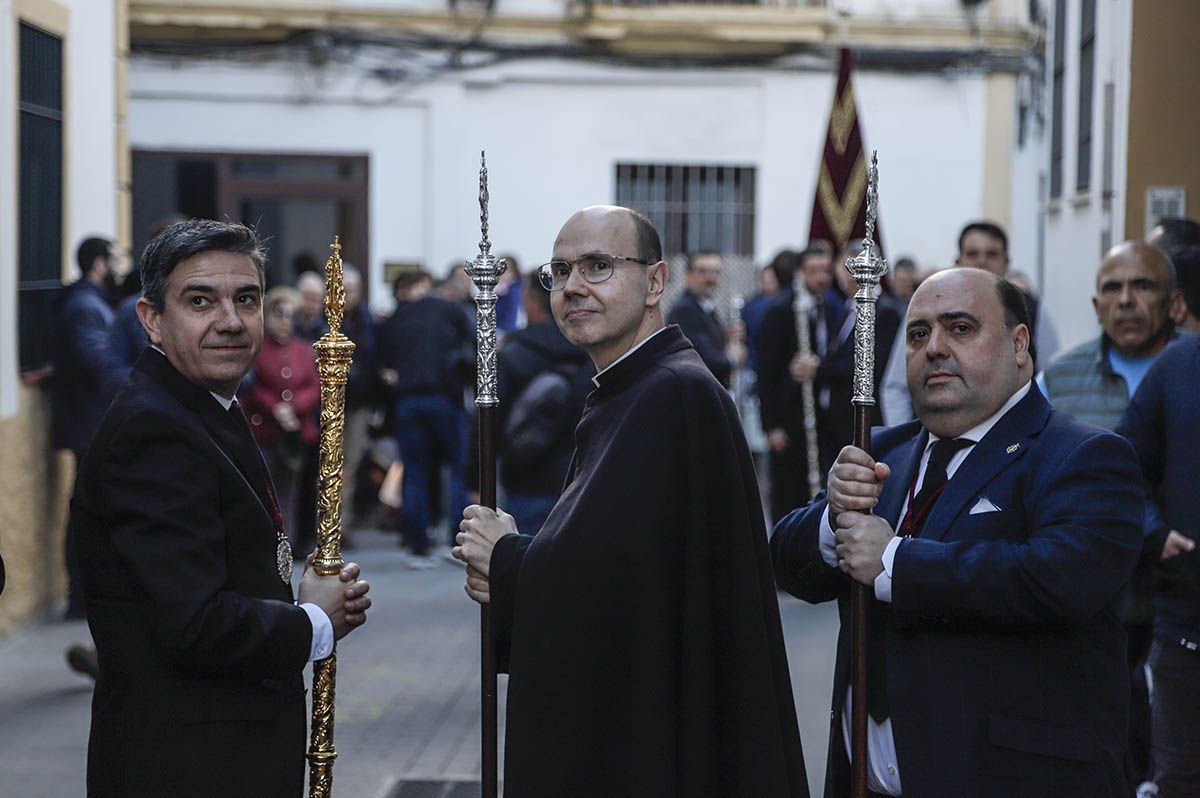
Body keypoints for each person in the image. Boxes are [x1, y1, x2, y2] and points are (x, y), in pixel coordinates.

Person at [453, 206, 809, 797]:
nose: (573, 287)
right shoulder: (630, 388)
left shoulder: (671, 391)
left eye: (598, 266)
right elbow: (625, 560)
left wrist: (510, 558)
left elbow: (613, 580)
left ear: (655, 282)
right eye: (560, 270)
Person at [771, 267, 1143, 797]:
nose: (935, 349)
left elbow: (1055, 581)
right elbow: (786, 564)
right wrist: (833, 518)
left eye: (961, 328)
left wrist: (895, 564)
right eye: (919, 334)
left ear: (1019, 344)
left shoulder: (1082, 456)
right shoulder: (883, 452)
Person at [70, 219, 371, 797]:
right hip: (188, 766)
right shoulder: (152, 432)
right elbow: (194, 623)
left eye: (246, 299)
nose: (230, 321)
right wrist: (314, 621)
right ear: (152, 320)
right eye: (200, 301)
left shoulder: (203, 403)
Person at [1117, 327, 1200, 798]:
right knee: (1181, 778)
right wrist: (1156, 533)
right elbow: (1125, 464)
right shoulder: (1179, 365)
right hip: (1185, 627)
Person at [881, 221, 1061, 425]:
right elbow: (896, 386)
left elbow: (1051, 378)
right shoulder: (926, 308)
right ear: (958, 260)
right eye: (973, 254)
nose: (981, 262)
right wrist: (906, 444)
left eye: (991, 254)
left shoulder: (1032, 310)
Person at [53, 236, 122, 657]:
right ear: (98, 264)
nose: (118, 266)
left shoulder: (92, 302)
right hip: (89, 424)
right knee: (87, 511)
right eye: (113, 259)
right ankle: (80, 596)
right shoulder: (85, 306)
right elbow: (98, 362)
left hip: (91, 421)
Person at [376, 269, 474, 565]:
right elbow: (473, 346)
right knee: (457, 469)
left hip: (408, 399)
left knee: (415, 472)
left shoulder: (399, 316)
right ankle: (457, 541)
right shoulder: (451, 311)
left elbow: (383, 361)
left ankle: (417, 544)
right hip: (445, 396)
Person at [496, 276, 593, 534]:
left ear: (531, 304)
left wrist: (475, 478)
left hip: (525, 477)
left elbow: (490, 417)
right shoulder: (591, 352)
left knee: (522, 560)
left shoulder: (514, 353)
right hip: (577, 477)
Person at [757, 243, 840, 522]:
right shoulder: (780, 309)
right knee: (787, 493)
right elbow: (766, 370)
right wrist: (772, 426)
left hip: (821, 417)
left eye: (826, 270)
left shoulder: (832, 305)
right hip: (788, 416)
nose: (821, 277)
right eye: (813, 271)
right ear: (800, 272)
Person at [241, 287, 322, 544]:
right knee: (263, 490)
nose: (285, 321)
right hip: (264, 429)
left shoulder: (304, 349)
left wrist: (294, 407)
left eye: (291, 315)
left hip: (295, 433)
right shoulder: (257, 348)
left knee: (291, 491)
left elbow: (314, 385)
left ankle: (287, 543)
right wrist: (275, 406)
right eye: (279, 314)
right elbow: (250, 385)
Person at [666, 249, 741, 388]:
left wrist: (725, 337)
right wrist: (733, 359)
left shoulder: (702, 306)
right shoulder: (686, 310)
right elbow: (708, 362)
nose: (710, 278)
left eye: (715, 272)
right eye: (702, 271)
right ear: (687, 275)